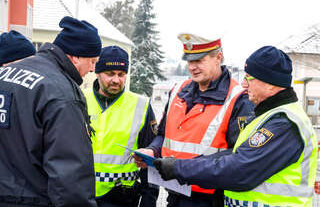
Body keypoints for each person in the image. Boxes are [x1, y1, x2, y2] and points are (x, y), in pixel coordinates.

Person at [152, 46, 318, 206]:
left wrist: (179, 168)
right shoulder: (268, 116)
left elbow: (240, 169)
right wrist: (182, 165)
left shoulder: (284, 123)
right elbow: (233, 154)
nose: (244, 85)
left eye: (249, 79)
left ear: (271, 83)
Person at [134, 33, 255, 207]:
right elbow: (163, 135)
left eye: (199, 61)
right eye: (190, 61)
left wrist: (184, 168)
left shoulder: (238, 99)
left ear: (218, 58)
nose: (193, 67)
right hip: (174, 193)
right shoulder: (178, 90)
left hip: (211, 199)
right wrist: (152, 151)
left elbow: (239, 155)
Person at [0, 16, 101, 207]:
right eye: (93, 61)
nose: (92, 69)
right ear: (76, 56)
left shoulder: (5, 74)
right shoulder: (61, 93)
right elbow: (71, 177)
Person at [82, 46, 159, 207]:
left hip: (121, 198)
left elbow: (151, 158)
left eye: (121, 74)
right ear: (97, 72)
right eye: (110, 74)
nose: (116, 80)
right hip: (81, 194)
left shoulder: (141, 105)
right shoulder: (79, 98)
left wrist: (149, 199)